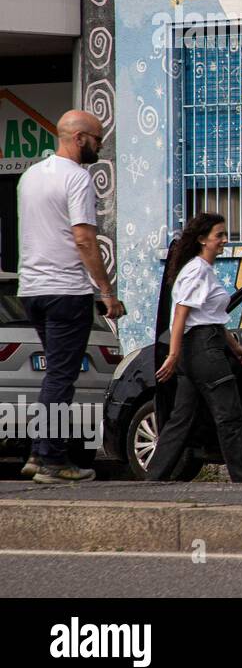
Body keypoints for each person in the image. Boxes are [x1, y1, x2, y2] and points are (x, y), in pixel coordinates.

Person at [17, 110, 124, 484]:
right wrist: (107, 292)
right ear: (79, 138)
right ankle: (53, 461)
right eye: (97, 139)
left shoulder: (30, 176)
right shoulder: (77, 178)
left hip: (32, 290)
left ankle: (38, 452)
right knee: (62, 378)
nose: (100, 145)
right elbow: (83, 239)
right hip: (66, 290)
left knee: (54, 377)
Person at [147, 213, 242, 483]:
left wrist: (235, 347)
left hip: (199, 348)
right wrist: (173, 355)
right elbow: (181, 314)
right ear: (202, 239)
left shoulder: (202, 270)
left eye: (224, 234)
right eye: (218, 235)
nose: (224, 240)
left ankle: (154, 476)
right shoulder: (197, 270)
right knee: (229, 414)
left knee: (181, 418)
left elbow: (209, 316)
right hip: (203, 351)